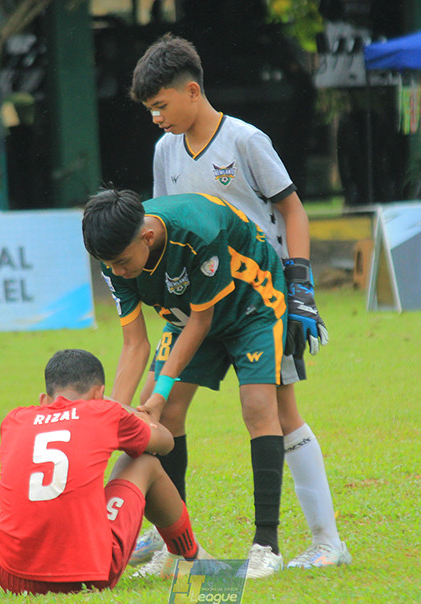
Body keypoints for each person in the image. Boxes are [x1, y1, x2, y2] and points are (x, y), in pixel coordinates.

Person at [127, 34, 349, 571]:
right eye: (150, 110)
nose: (156, 119)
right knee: (169, 409)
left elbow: (293, 210)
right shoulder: (165, 150)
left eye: (160, 106)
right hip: (198, 303)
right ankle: (173, 545)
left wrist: (300, 287)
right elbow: (165, 221)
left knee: (276, 410)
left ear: (193, 91)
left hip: (259, 299)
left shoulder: (246, 141)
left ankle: (325, 542)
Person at [82, 188, 288, 579]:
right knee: (162, 415)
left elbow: (202, 321)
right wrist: (114, 416)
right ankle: (176, 547)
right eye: (110, 265)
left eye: (123, 263)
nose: (119, 271)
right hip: (186, 315)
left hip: (251, 304)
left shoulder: (197, 233)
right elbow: (135, 344)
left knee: (258, 407)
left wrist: (158, 393)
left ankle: (267, 545)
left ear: (146, 237)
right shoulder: (116, 257)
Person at [0, 348, 214, 594]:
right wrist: (114, 405)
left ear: (44, 399)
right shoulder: (103, 410)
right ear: (99, 394)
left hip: (11, 576)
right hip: (87, 576)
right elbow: (165, 441)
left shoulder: (14, 420)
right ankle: (189, 557)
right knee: (144, 463)